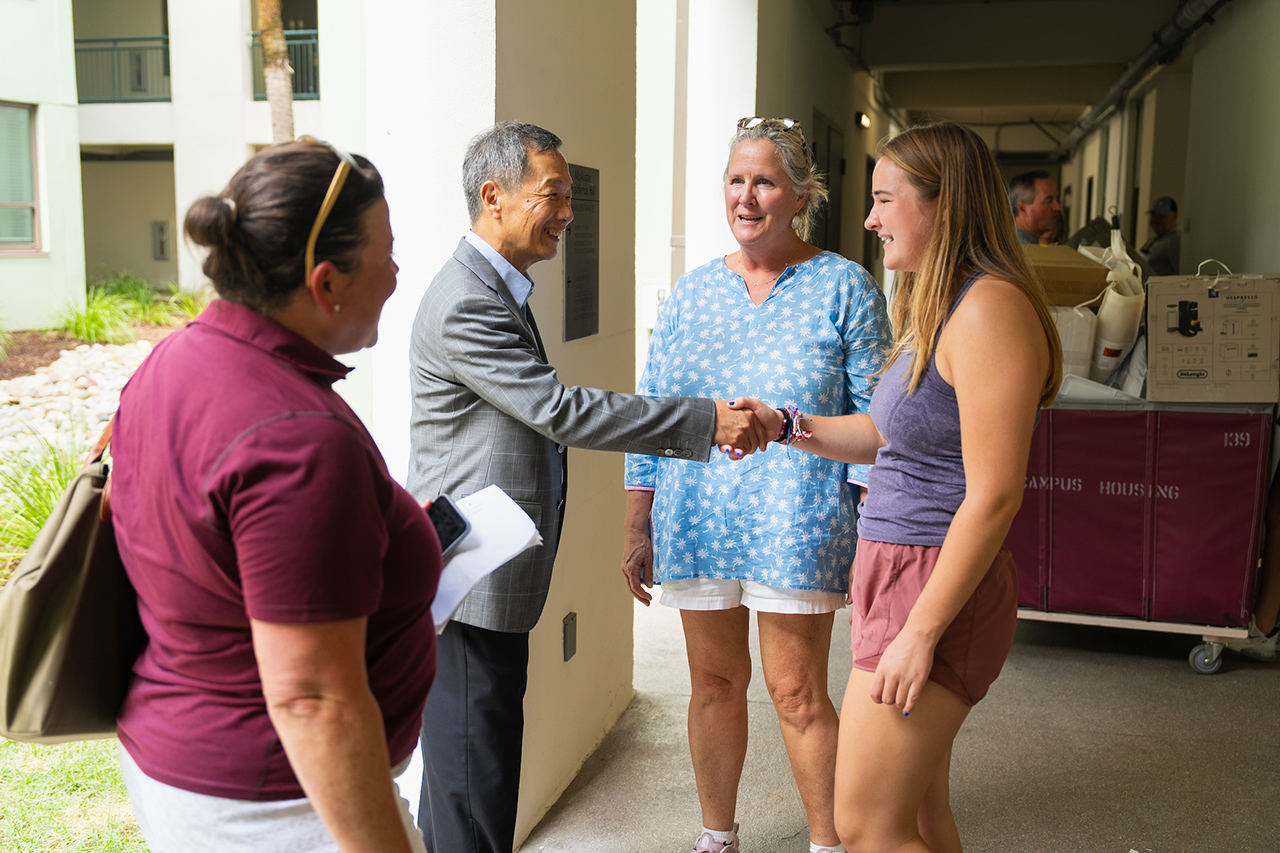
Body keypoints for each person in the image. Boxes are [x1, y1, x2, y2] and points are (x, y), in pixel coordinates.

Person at [408, 120, 769, 853]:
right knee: (473, 791)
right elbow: (559, 409)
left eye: (571, 195)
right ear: (493, 197)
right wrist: (706, 422)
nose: (570, 212)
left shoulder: (498, 287)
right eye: (555, 194)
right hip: (468, 582)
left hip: (488, 575)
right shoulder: (468, 300)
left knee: (467, 784)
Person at [733, 121, 1062, 852]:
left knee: (866, 827)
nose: (870, 218)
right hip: (898, 568)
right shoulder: (937, 303)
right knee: (915, 817)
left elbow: (995, 493)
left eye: (885, 199)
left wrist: (920, 632)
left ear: (943, 206)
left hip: (935, 581)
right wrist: (787, 424)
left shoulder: (988, 310)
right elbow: (887, 436)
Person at [111, 139, 437, 852]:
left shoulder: (173, 359)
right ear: (326, 284)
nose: (396, 271)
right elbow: (311, 698)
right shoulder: (299, 439)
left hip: (188, 765)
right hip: (279, 805)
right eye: (386, 252)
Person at [621, 116, 891, 853]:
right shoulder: (691, 293)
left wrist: (873, 529)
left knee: (797, 691)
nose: (746, 197)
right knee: (712, 682)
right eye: (736, 181)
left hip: (798, 518)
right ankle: (717, 836)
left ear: (801, 194)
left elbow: (879, 415)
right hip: (697, 512)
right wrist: (637, 520)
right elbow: (653, 411)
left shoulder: (845, 286)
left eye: (764, 181)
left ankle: (829, 843)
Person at [1008, 170, 1062, 245]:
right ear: (1022, 208)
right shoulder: (1027, 251)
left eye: (1056, 199)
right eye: (1049, 201)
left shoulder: (1013, 243)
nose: (1058, 207)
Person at [1140, 196, 1180, 275]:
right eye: (1154, 215)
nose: (1156, 220)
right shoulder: (1160, 238)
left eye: (1162, 216)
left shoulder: (1175, 239)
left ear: (1175, 216)